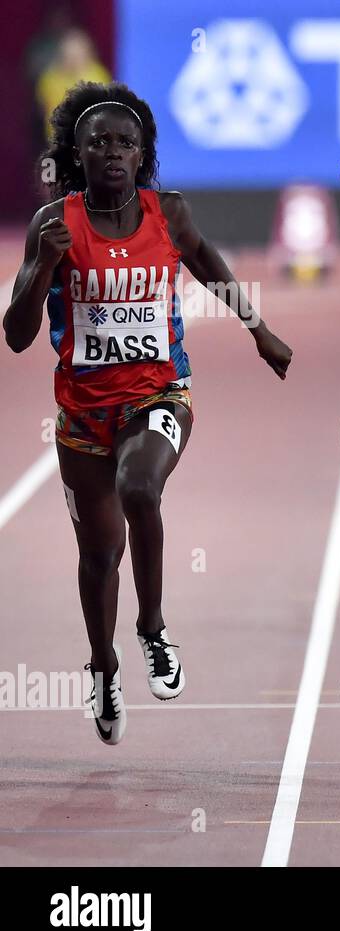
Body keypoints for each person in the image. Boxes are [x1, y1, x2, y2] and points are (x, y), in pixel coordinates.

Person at [3, 82, 294, 744]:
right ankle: (104, 666)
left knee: (141, 486)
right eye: (98, 141)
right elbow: (18, 335)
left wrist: (258, 328)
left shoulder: (171, 214)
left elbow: (209, 264)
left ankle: (154, 628)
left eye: (125, 144)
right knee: (100, 554)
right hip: (82, 417)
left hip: (160, 394)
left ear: (142, 157)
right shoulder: (53, 226)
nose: (112, 152)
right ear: (75, 154)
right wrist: (42, 268)